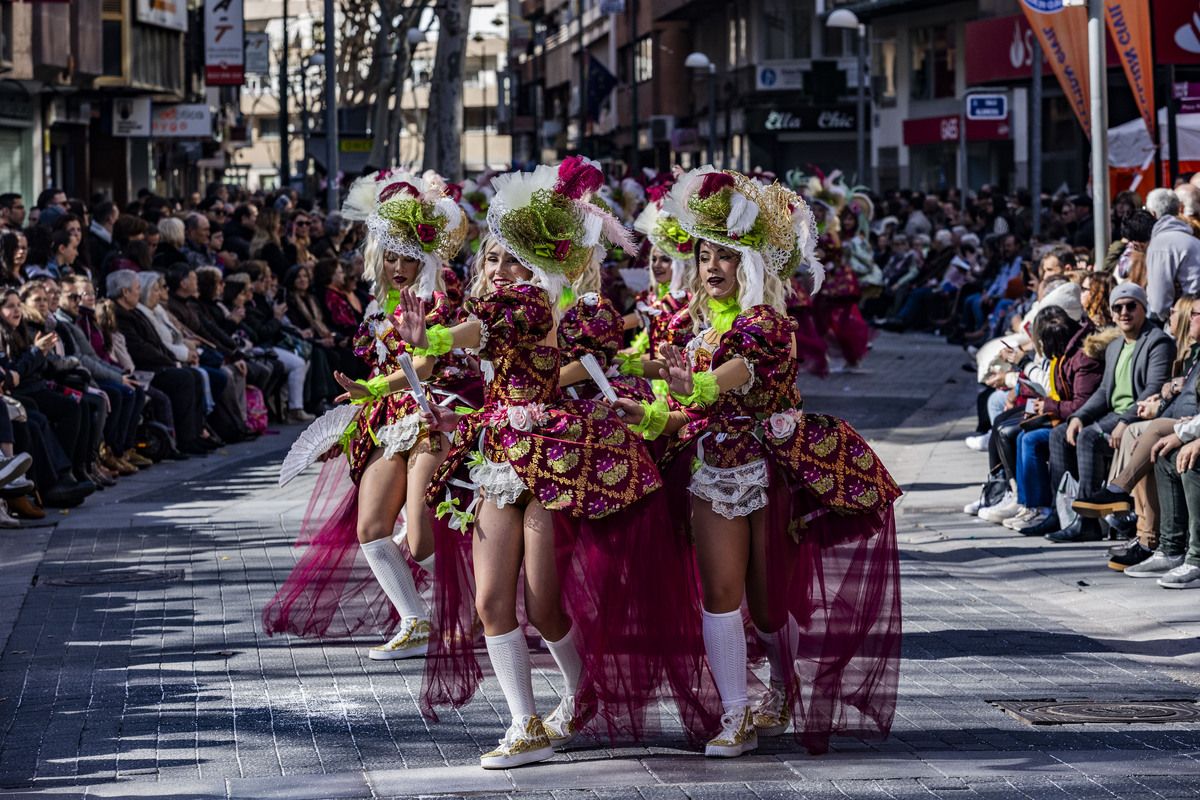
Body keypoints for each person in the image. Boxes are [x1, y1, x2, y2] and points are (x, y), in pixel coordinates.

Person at [413, 159, 713, 769]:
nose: (500, 271)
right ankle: (523, 722)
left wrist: (436, 341)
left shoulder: (535, 307)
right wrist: (431, 397)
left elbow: (484, 327)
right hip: (500, 454)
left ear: (541, 262)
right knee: (493, 599)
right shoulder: (508, 305)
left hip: (553, 457)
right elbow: (473, 360)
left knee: (543, 602)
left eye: (513, 259)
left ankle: (580, 696)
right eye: (493, 260)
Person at [619, 167, 902, 758]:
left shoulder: (767, 325)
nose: (712, 266)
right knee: (719, 594)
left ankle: (782, 682)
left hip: (769, 470)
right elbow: (687, 413)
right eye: (704, 254)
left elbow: (730, 379)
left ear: (750, 265)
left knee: (770, 607)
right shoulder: (694, 329)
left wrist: (687, 384)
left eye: (727, 255)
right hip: (711, 470)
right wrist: (641, 409)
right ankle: (734, 714)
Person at [262, 170, 476, 661]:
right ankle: (415, 620)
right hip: (388, 415)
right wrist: (358, 414)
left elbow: (428, 362)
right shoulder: (378, 303)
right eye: (391, 257)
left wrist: (375, 387)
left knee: (422, 541)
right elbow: (379, 370)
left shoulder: (443, 296)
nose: (398, 267)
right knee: (371, 528)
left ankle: (478, 596)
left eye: (408, 258)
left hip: (436, 410)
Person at [1050, 283, 1176, 542]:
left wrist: (1124, 420)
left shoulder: (1158, 341)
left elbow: (1153, 389)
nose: (1124, 312)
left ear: (1143, 309)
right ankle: (1062, 512)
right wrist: (1078, 416)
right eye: (1117, 307)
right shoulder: (1115, 346)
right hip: (1112, 415)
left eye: (1131, 306)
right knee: (1060, 434)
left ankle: (1088, 522)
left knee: (1088, 438)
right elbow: (1104, 391)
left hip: (1139, 415)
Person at [108, 270, 210, 455]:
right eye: (137, 288)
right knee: (184, 378)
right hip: (145, 368)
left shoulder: (134, 312)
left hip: (158, 363)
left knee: (193, 375)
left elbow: (156, 343)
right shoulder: (120, 315)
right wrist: (170, 362)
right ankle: (185, 439)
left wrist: (171, 359)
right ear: (125, 292)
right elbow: (140, 349)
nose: (139, 292)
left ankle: (194, 435)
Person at [1144, 188, 1200, 322]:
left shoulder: (1161, 243)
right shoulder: (1193, 239)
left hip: (1184, 321)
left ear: (1152, 214)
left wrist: (1169, 320)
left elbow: (1159, 301)